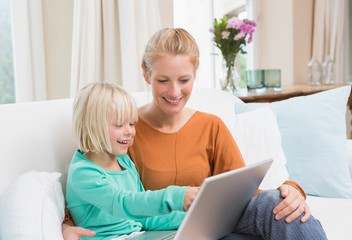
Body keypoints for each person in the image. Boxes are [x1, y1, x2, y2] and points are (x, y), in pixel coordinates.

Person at [63, 28, 327, 239]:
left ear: (195, 75)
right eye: (163, 80)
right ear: (146, 73)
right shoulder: (126, 134)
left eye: (184, 80)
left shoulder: (210, 126)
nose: (175, 92)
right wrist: (63, 226)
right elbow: (109, 198)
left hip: (210, 225)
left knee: (276, 206)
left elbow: (246, 196)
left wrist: (291, 191)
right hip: (173, 232)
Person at [65, 82, 198, 240]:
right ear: (90, 127)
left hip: (139, 235)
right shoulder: (83, 172)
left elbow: (143, 216)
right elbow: (122, 203)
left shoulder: (124, 161)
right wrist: (175, 197)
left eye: (131, 124)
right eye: (119, 125)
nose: (129, 131)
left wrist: (193, 217)